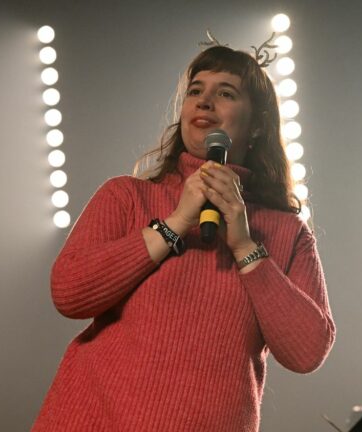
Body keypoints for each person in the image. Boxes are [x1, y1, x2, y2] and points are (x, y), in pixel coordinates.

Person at [32, 41, 335, 432]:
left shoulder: (287, 232)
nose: (205, 101)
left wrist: (245, 246)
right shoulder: (127, 196)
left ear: (258, 124)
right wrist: (174, 223)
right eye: (196, 91)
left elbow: (307, 352)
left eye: (225, 93)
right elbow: (69, 293)